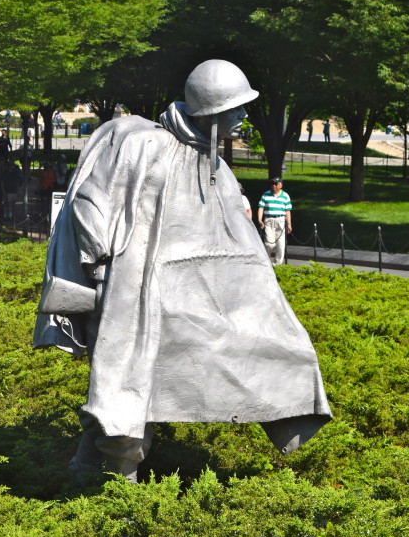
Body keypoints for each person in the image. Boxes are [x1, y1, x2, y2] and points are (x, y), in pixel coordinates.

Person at [36, 59, 330, 484]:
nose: (243, 117)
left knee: (147, 384)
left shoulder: (218, 170)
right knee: (126, 385)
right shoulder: (144, 146)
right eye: (236, 109)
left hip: (186, 305)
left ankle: (87, 470)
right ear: (212, 112)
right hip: (129, 296)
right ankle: (116, 493)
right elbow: (89, 203)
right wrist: (97, 266)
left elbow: (238, 248)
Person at [257, 176, 293, 264]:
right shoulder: (266, 194)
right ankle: (266, 262)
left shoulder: (285, 196)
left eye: (276, 184)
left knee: (280, 244)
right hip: (269, 220)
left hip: (280, 219)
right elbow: (261, 208)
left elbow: (287, 211)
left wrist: (289, 224)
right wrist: (259, 219)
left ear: (280, 185)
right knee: (269, 243)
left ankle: (278, 264)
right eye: (272, 184)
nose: (273, 186)